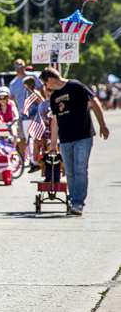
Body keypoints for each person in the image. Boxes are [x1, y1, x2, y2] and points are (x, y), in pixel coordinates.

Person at [40, 67, 110, 216]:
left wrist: (102, 124)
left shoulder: (75, 85)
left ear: (51, 79)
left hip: (83, 136)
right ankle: (73, 200)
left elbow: (94, 102)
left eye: (46, 84)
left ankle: (78, 203)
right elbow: (55, 120)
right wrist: (53, 144)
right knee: (70, 172)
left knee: (80, 169)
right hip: (65, 139)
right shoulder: (54, 96)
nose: (46, 87)